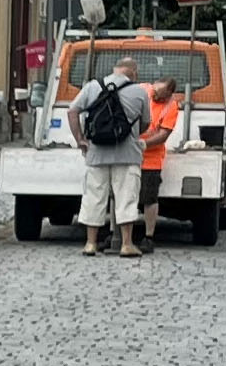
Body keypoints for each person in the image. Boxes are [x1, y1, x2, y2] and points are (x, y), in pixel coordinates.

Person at [68, 54, 148, 258]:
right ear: (133, 72)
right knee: (127, 199)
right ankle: (127, 244)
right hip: (128, 154)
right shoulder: (139, 91)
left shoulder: (92, 87)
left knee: (94, 197)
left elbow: (72, 111)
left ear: (115, 69)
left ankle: (90, 243)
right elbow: (146, 123)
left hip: (97, 154)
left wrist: (80, 139)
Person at [137, 77, 182, 254]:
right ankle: (117, 234)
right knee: (120, 195)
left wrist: (143, 144)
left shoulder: (171, 106)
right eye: (155, 92)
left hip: (151, 158)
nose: (156, 96)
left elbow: (163, 135)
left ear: (169, 94)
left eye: (161, 95)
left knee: (149, 198)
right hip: (128, 155)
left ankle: (148, 237)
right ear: (153, 85)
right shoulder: (143, 90)